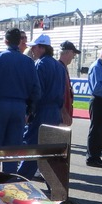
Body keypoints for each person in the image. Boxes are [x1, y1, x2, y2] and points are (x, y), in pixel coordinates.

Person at [0, 28, 41, 172]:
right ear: (19, 42)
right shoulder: (29, 62)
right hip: (19, 107)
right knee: (12, 152)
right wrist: (29, 110)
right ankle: (9, 185)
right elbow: (36, 90)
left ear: (6, 41)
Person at [18, 34, 66, 178]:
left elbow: (37, 92)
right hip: (55, 111)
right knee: (48, 151)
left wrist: (30, 111)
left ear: (42, 48)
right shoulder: (59, 66)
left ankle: (21, 179)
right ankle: (54, 184)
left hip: (42, 111)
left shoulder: (40, 65)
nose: (32, 49)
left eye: (35, 47)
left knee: (32, 146)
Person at [59, 41, 78, 126]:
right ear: (69, 52)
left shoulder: (63, 68)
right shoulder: (59, 68)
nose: (74, 56)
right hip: (60, 116)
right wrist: (64, 112)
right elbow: (58, 94)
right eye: (73, 53)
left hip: (64, 113)